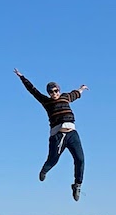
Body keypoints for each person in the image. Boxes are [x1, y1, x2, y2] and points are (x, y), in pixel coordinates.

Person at [14, 68, 88, 201]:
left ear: (59, 90)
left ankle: (77, 185)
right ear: (48, 93)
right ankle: (44, 170)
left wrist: (81, 88)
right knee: (53, 159)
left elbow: (75, 93)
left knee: (80, 159)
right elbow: (33, 91)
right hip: (57, 135)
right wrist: (22, 77)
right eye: (51, 92)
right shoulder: (46, 102)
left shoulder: (66, 97)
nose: (54, 93)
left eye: (56, 91)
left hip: (72, 133)